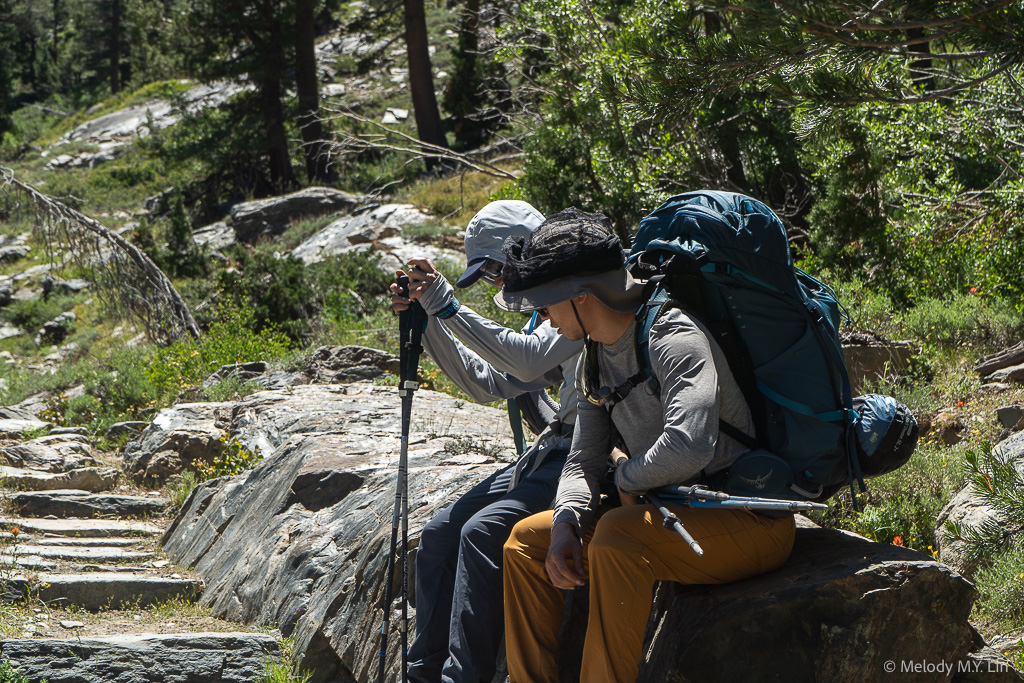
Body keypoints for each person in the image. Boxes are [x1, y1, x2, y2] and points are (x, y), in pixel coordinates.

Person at [494, 208, 797, 683]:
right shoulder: (591, 357)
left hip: (746, 520)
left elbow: (690, 445)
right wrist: (566, 523)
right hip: (666, 515)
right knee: (525, 545)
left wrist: (624, 479)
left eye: (545, 305)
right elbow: (581, 460)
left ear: (579, 296)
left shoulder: (673, 335)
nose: (543, 319)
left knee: (617, 536)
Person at [388, 200, 584, 683]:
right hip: (552, 454)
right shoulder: (546, 312)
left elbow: (525, 363)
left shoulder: (580, 294)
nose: (497, 282)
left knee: (480, 531)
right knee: (437, 535)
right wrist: (426, 319)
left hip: (585, 455)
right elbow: (486, 383)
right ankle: (422, 674)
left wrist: (447, 306)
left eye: (497, 268)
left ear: (525, 249)